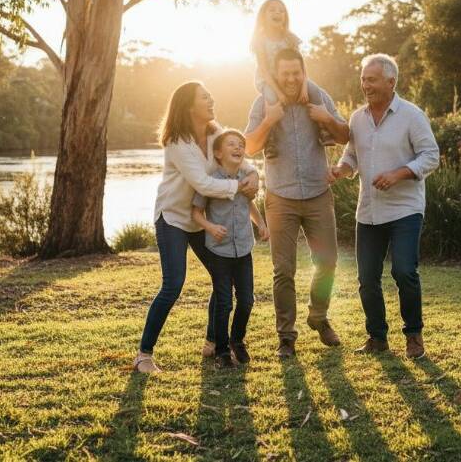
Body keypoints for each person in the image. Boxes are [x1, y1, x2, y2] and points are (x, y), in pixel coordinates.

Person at [135, 82, 259, 374]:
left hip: (203, 221)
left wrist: (253, 174)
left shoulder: (216, 133)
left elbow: (239, 154)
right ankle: (143, 355)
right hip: (175, 219)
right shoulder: (177, 142)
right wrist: (239, 186)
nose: (211, 99)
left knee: (222, 279)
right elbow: (202, 184)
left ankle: (212, 342)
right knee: (173, 284)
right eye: (205, 97)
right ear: (189, 106)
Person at [328, 54, 440, 359]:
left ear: (391, 82)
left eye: (372, 79)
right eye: (364, 79)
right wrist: (341, 170)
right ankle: (377, 337)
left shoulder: (412, 116)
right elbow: (351, 155)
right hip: (369, 211)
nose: (366, 85)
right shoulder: (357, 119)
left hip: (405, 208)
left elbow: (431, 156)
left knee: (404, 271)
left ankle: (413, 335)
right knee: (367, 278)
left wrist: (398, 173)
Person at [244, 48, 350, 358]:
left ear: (303, 72)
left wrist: (325, 117)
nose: (291, 78)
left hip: (318, 194)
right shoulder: (262, 103)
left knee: (328, 262)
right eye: (285, 73)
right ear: (275, 74)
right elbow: (249, 146)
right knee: (284, 270)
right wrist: (269, 120)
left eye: (296, 72)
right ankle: (286, 338)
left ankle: (318, 316)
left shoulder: (318, 96)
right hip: (281, 198)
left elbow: (344, 136)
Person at [192, 129, 269, 369]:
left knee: (246, 300)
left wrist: (262, 225)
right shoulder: (211, 181)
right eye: (231, 144)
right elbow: (196, 212)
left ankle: (237, 340)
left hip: (244, 249)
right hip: (219, 251)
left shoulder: (247, 176)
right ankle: (222, 351)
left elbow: (249, 204)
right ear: (217, 153)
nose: (238, 148)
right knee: (224, 302)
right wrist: (210, 227)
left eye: (241, 145)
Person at [250, 0, 335, 157]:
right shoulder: (260, 40)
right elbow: (263, 70)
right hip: (268, 80)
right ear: (263, 16)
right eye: (273, 10)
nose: (278, 13)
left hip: (292, 76)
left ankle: (323, 129)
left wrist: (303, 86)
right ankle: (271, 142)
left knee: (314, 90)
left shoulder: (289, 38)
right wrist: (279, 93)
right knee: (270, 98)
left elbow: (301, 65)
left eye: (281, 11)